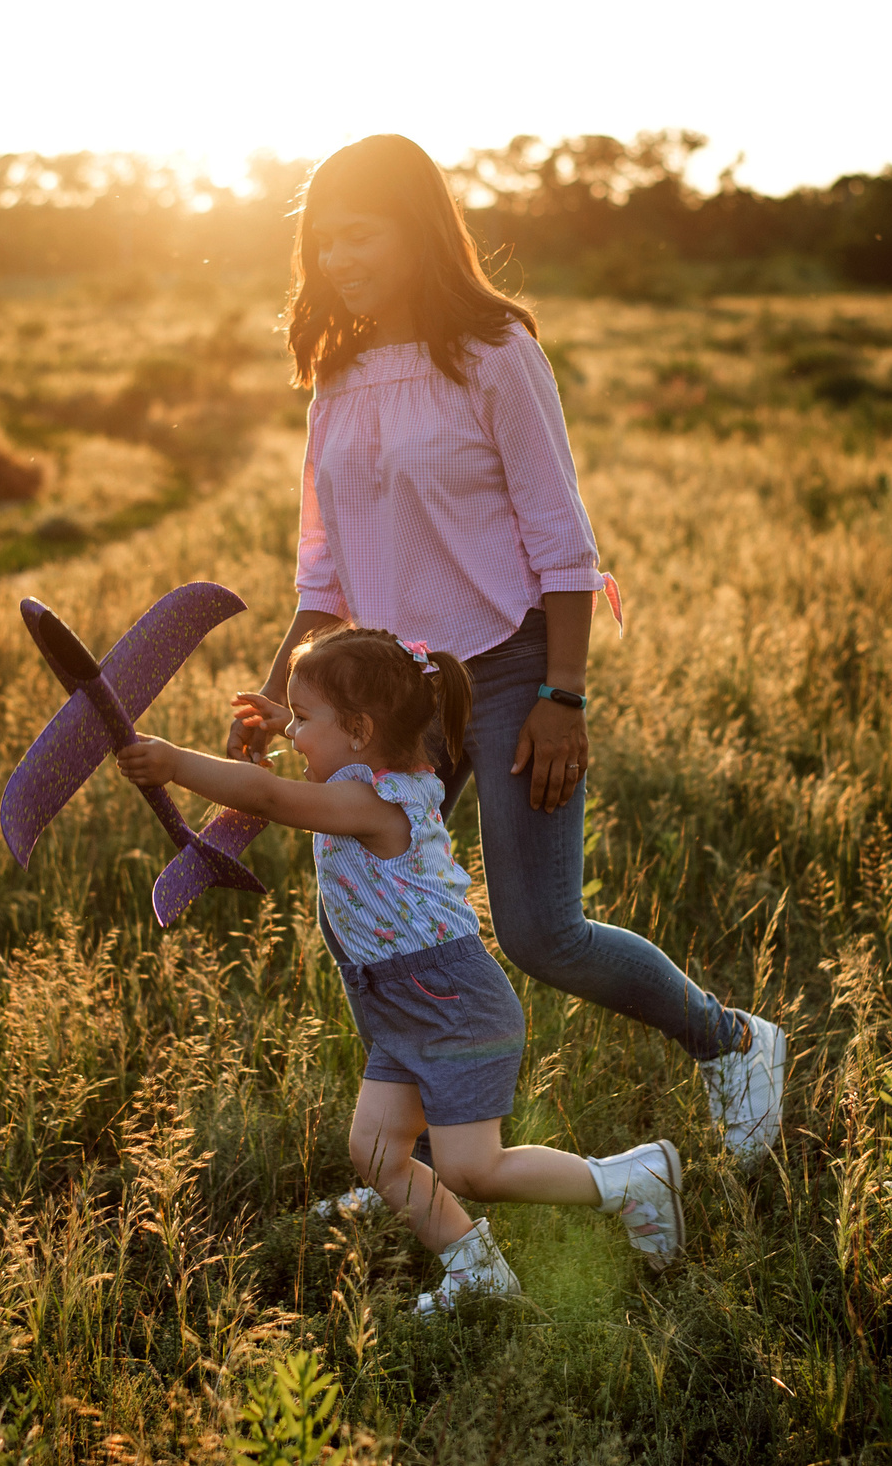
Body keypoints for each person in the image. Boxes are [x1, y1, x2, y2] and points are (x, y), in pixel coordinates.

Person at [228, 133, 785, 1161]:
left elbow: (561, 541)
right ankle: (411, 1164)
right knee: (374, 914)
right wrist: (278, 702)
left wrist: (563, 695)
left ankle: (733, 1041)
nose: (341, 260)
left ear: (417, 231)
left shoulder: (495, 353)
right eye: (325, 242)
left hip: (511, 668)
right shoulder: (336, 377)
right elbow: (323, 574)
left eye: (362, 235)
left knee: (542, 933)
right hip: (391, 696)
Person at [117, 624, 685, 1312]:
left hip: (451, 1000)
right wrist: (292, 722)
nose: (291, 734)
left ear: (360, 731)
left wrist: (173, 761)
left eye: (303, 720)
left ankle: (628, 1181)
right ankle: (474, 1269)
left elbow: (268, 798)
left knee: (472, 1168)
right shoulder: (367, 772)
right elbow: (310, 760)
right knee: (379, 1153)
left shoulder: (376, 803)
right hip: (404, 1001)